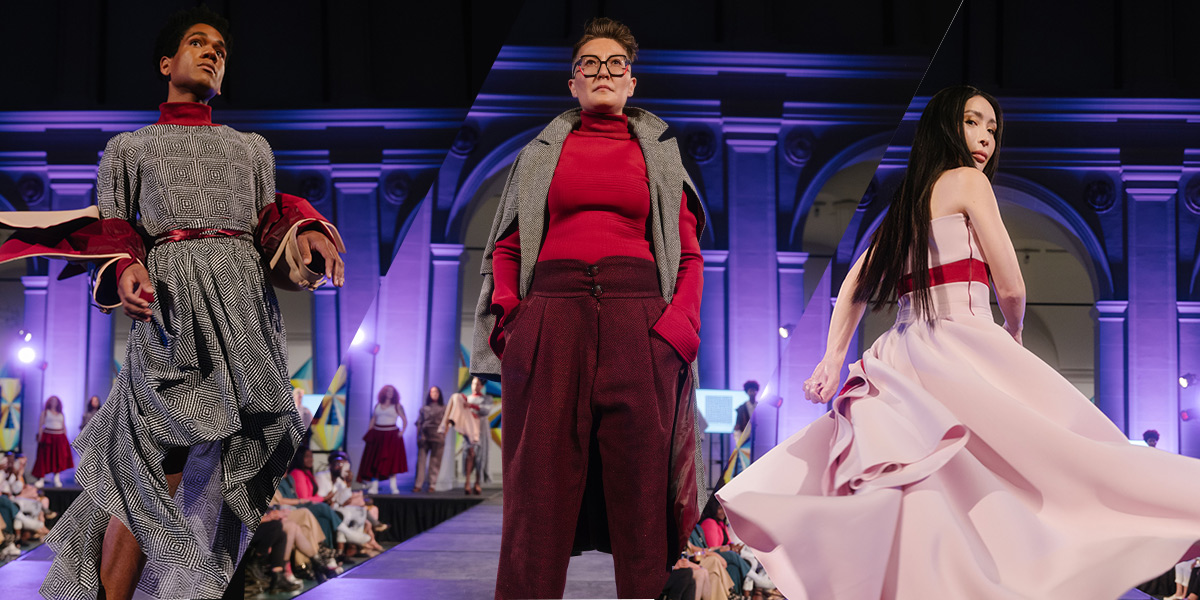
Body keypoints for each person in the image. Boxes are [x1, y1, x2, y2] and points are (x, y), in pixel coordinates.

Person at [716, 85, 1200, 600]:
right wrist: (1012, 334)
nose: (985, 138)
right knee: (1057, 459)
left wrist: (833, 359)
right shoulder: (969, 181)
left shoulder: (905, 202)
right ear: (946, 124)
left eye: (992, 129)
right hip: (963, 340)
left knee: (926, 485)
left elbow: (854, 283)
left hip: (900, 354)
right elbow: (1011, 284)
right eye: (973, 122)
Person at [5, 8, 347, 600]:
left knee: (237, 457)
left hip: (244, 311)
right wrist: (130, 266)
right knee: (153, 463)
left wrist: (306, 232)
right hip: (172, 305)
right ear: (167, 63)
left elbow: (268, 224)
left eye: (220, 48)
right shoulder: (129, 149)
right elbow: (117, 228)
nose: (212, 53)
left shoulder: (252, 149)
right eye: (197, 43)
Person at [469, 17, 707, 599]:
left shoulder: (662, 155)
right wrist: (512, 322)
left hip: (638, 322)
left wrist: (676, 332)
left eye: (615, 65)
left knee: (645, 494)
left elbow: (690, 255)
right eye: (589, 65)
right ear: (572, 83)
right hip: (551, 319)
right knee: (537, 493)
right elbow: (508, 244)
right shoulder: (539, 154)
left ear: (632, 82)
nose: (603, 73)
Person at [358, 385, 408, 494]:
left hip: (391, 436)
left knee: (391, 461)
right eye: (388, 391)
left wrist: (402, 432)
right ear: (383, 392)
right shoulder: (378, 405)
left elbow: (405, 420)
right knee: (375, 460)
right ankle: (374, 486)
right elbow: (373, 419)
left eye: (392, 391)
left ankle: (393, 486)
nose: (390, 393)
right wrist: (369, 433)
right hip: (377, 435)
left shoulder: (397, 406)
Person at [32, 396, 73, 488]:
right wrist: (40, 437)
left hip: (59, 437)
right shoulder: (45, 413)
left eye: (55, 401)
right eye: (52, 401)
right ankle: (41, 479)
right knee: (44, 458)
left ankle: (56, 478)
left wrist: (65, 439)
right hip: (48, 436)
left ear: (58, 403)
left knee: (58, 458)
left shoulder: (61, 414)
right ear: (49, 402)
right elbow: (40, 426)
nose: (54, 403)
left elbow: (64, 426)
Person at [412, 386, 447, 493]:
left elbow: (447, 423)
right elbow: (419, 423)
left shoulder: (444, 408)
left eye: (436, 391)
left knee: (435, 462)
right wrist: (418, 436)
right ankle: (418, 484)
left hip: (438, 436)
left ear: (439, 393)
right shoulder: (424, 408)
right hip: (424, 436)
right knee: (421, 462)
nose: (434, 393)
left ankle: (432, 484)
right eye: (432, 392)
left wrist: (444, 434)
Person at [464, 377, 494, 494]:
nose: (474, 386)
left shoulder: (487, 398)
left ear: (481, 386)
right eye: (473, 383)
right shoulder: (467, 399)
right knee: (470, 454)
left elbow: (485, 411)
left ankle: (477, 482)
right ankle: (467, 482)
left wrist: (472, 406)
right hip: (470, 428)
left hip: (482, 429)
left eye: (477, 384)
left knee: (480, 456)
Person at [728, 380, 760, 479]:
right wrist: (738, 442)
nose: (752, 393)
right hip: (745, 442)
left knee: (758, 466)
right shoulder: (741, 408)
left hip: (758, 442)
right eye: (750, 390)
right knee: (745, 466)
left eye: (754, 390)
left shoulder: (760, 406)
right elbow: (737, 427)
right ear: (747, 392)